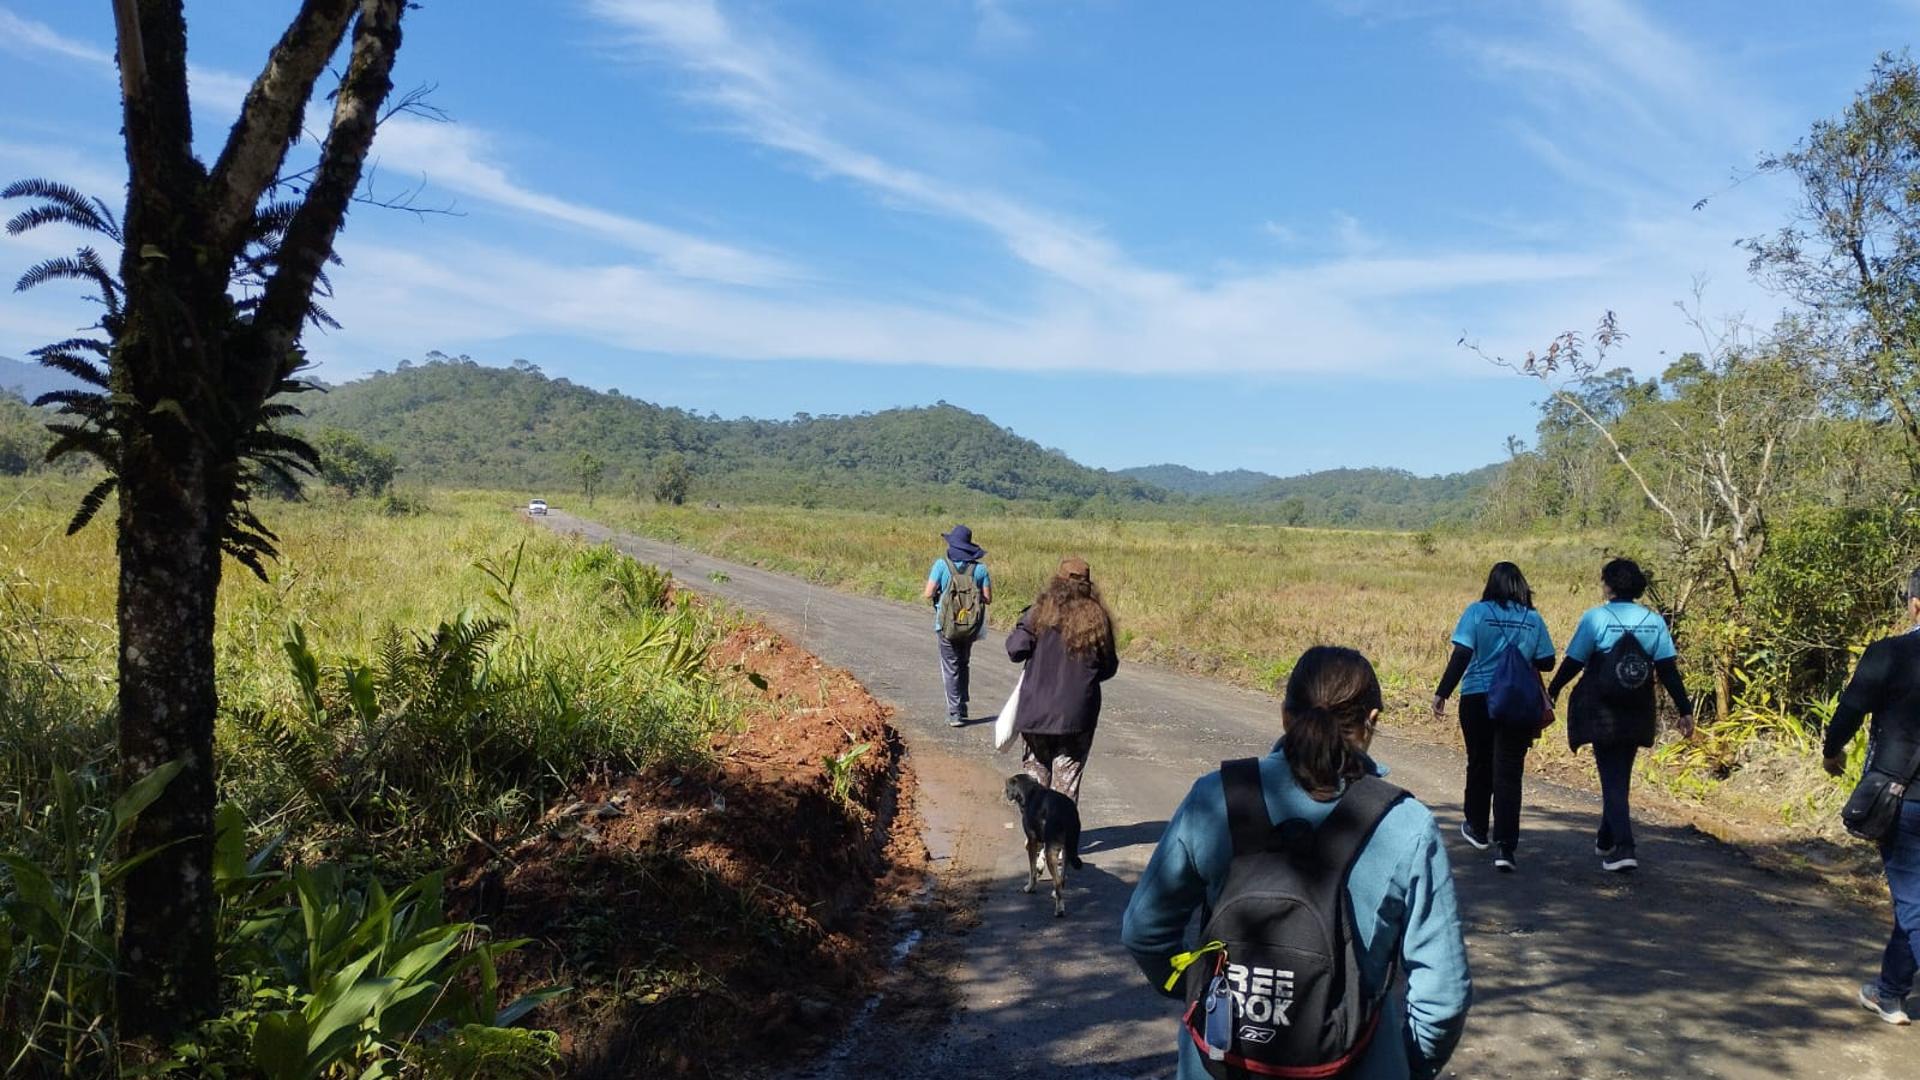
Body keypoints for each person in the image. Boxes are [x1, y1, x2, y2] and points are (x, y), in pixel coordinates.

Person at [1122, 646, 1472, 1080]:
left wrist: (1199, 995)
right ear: (1372, 722)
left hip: (1219, 1060)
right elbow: (1444, 998)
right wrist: (1406, 1067)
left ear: (1285, 716)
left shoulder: (1216, 798)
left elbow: (1143, 932)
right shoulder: (1406, 825)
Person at [1546, 558, 1694, 873]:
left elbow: (1574, 661)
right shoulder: (1654, 622)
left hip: (1602, 710)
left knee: (1611, 777)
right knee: (1618, 775)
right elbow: (1667, 670)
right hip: (1638, 709)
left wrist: (1553, 689)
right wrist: (1685, 710)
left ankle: (1625, 847)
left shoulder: (1596, 618)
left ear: (1609, 585)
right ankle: (1606, 836)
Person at [1821, 567, 1920, 1026]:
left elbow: (1850, 709)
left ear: (1914, 604)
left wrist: (1831, 751)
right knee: (1912, 898)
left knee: (1913, 899)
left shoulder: (1890, 653)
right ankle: (1890, 992)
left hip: (1904, 796)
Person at [1431, 561, 1556, 872]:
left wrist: (1442, 693)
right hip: (1517, 702)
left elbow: (1461, 655)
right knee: (1509, 773)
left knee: (1480, 762)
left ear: (1492, 584)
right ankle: (1506, 848)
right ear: (1521, 586)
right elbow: (1548, 661)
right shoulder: (1533, 617)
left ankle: (1475, 827)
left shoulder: (1477, 612)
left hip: (1477, 697)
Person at [1005, 556, 1118, 804]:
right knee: (1065, 787)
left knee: (1033, 781)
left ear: (1057, 582)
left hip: (1035, 713)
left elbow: (1015, 650)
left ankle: (1036, 836)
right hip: (1077, 716)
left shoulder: (1038, 613)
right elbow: (1109, 668)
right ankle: (1061, 839)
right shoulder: (1098, 619)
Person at [924, 524, 991, 727]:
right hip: (970, 626)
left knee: (950, 666)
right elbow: (987, 598)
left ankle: (955, 713)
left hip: (946, 626)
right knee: (963, 663)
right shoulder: (980, 569)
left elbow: (928, 593)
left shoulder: (941, 565)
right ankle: (963, 706)